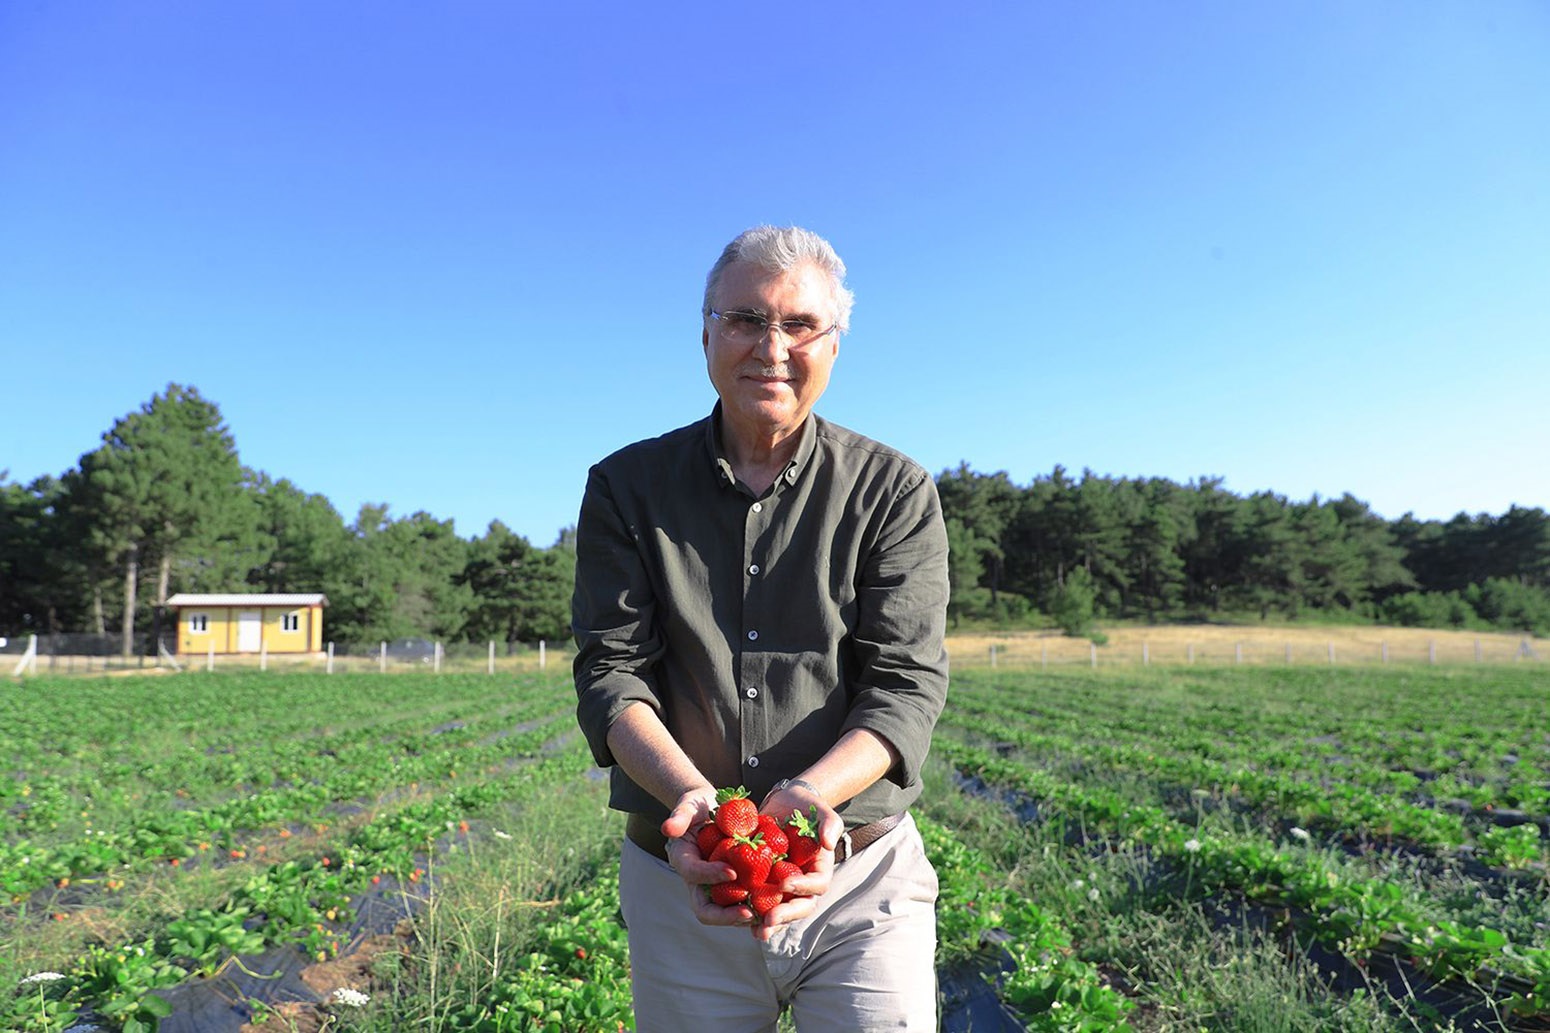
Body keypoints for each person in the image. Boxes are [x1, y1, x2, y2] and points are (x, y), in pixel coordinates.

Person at [572, 225, 950, 1032]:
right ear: (705, 332)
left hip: (858, 878)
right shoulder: (626, 487)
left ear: (835, 344)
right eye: (743, 318)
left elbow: (904, 685)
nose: (770, 346)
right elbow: (613, 672)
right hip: (680, 877)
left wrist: (811, 796)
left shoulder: (893, 490)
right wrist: (692, 803)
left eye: (799, 324)